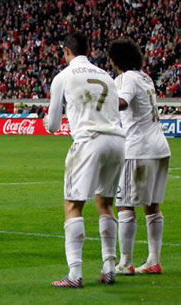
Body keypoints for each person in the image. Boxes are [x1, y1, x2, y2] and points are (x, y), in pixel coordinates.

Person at [46, 32, 125, 287]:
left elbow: (54, 124)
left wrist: (48, 122)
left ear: (66, 51)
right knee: (105, 203)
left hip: (89, 140)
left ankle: (75, 274)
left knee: (73, 205)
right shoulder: (107, 76)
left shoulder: (63, 76)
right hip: (116, 141)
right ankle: (110, 266)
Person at [108, 38, 171, 275]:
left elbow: (123, 103)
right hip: (160, 147)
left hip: (138, 149)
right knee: (152, 206)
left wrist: (99, 99)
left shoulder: (127, 78)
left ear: (116, 60)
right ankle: (153, 260)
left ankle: (125, 262)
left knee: (125, 204)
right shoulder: (145, 78)